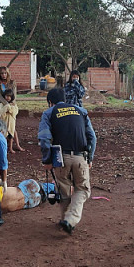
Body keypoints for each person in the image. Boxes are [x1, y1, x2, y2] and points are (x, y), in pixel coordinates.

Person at [38, 88, 96, 235]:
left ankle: (65, 219)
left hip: (60, 158)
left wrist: (47, 159)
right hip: (80, 157)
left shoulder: (49, 113)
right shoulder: (81, 111)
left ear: (50, 102)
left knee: (63, 190)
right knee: (82, 189)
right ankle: (70, 220)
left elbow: (44, 139)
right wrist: (90, 157)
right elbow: (92, 138)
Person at [0, 66, 24, 151]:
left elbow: (14, 95)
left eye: (5, 73)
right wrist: (6, 104)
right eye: (2, 73)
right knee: (2, 128)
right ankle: (1, 146)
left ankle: (17, 145)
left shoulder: (12, 82)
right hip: (2, 106)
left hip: (12, 106)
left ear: (8, 73)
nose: (4, 75)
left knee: (12, 127)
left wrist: (10, 105)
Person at [0, 88, 21, 153]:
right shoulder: (2, 104)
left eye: (9, 96)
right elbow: (1, 113)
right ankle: (3, 148)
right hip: (4, 123)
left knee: (11, 136)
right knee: (4, 136)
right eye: (6, 96)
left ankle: (10, 148)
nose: (8, 98)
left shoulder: (14, 104)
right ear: (4, 96)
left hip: (11, 123)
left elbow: (15, 112)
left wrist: (10, 109)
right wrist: (7, 107)